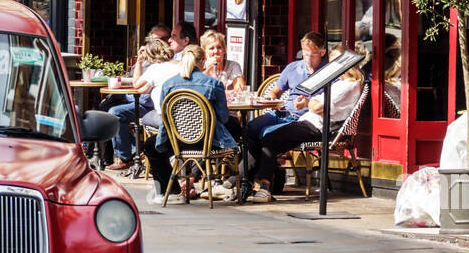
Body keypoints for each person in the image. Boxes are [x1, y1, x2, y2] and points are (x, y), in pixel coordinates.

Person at [238, 45, 366, 203]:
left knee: (270, 139)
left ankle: (261, 187)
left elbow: (318, 107)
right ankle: (238, 181)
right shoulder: (341, 84)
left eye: (333, 63)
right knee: (263, 136)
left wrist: (307, 102)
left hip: (318, 127)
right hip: (308, 122)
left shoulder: (348, 85)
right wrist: (311, 102)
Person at [141, 45, 236, 202]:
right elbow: (224, 117)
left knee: (150, 146)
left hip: (176, 142)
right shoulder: (214, 83)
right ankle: (233, 183)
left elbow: (165, 115)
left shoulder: (169, 84)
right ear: (203, 61)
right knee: (236, 130)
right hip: (208, 142)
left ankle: (170, 191)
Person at [106, 36, 178, 171]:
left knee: (119, 113)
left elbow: (137, 85)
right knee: (114, 111)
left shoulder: (155, 68)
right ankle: (133, 153)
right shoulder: (179, 65)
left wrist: (139, 62)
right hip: (185, 114)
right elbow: (143, 89)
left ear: (150, 55)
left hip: (161, 113)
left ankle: (136, 153)